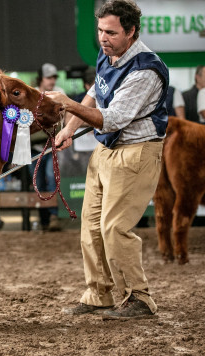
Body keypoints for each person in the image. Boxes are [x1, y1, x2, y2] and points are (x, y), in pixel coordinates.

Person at [47, 0, 169, 320]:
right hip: (106, 151)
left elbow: (112, 118)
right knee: (90, 227)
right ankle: (99, 294)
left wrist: (67, 105)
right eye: (100, 31)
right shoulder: (108, 53)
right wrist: (69, 130)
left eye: (111, 32)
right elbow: (94, 92)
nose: (103, 38)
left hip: (136, 152)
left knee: (114, 228)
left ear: (131, 32)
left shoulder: (146, 70)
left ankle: (139, 298)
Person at [30, 63, 65, 232]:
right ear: (41, 78)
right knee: (37, 181)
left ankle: (53, 215)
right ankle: (42, 216)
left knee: (52, 176)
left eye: (53, 78)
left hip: (52, 146)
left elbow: (63, 119)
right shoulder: (32, 95)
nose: (51, 81)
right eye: (48, 77)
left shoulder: (59, 94)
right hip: (33, 147)